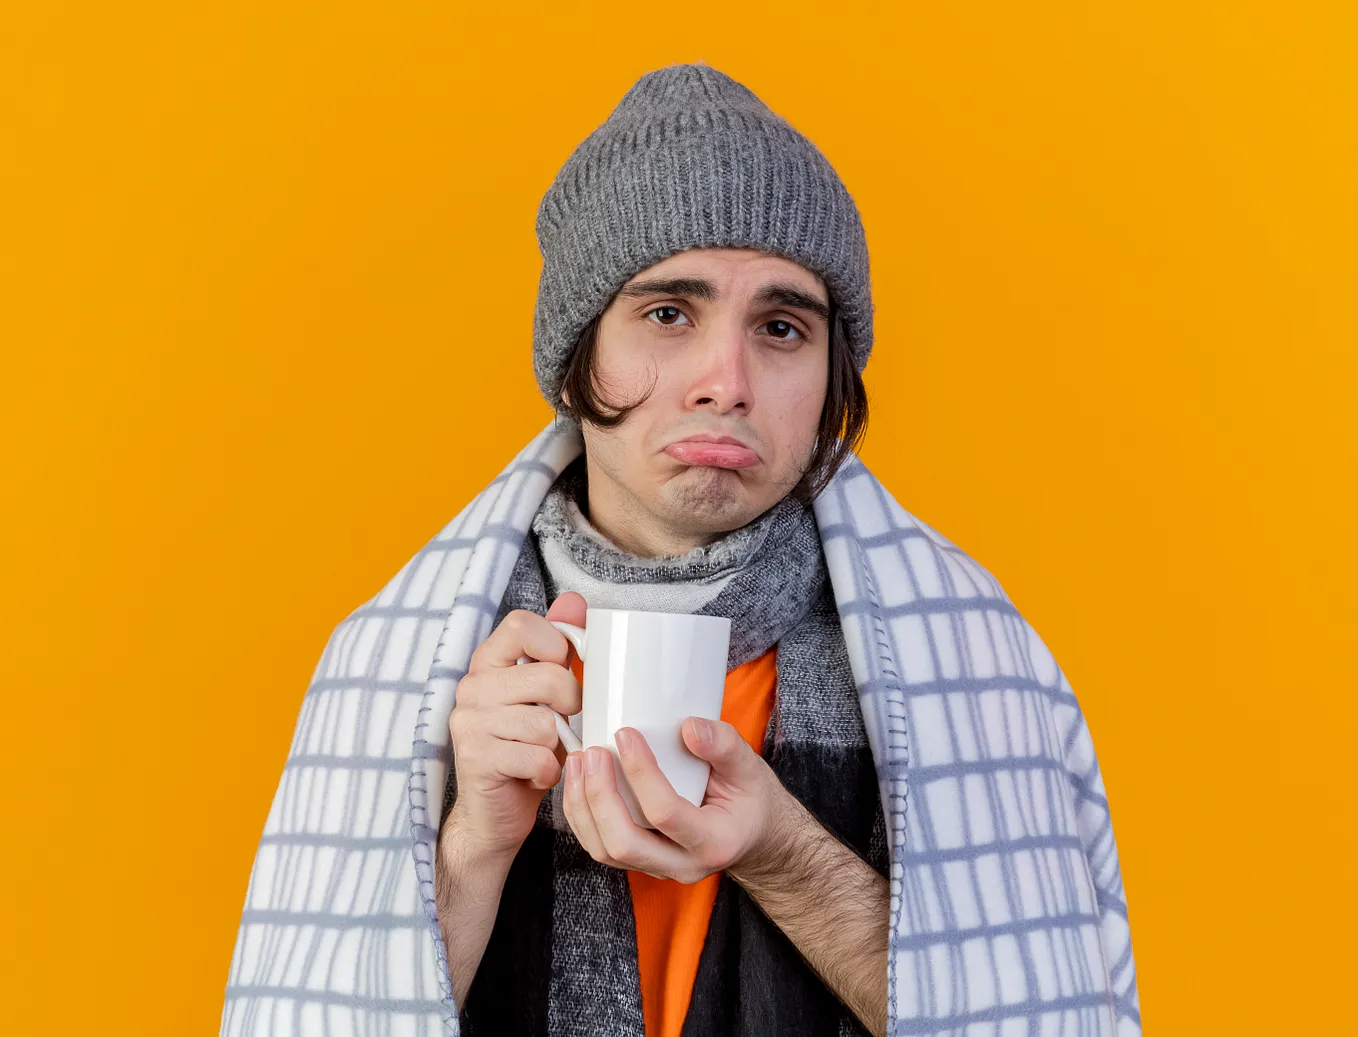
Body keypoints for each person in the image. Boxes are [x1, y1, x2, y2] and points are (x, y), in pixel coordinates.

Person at [221, 62, 1140, 1037]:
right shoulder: (400, 664)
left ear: (831, 373)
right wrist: (469, 845)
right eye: (668, 313)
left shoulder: (970, 662)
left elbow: (1034, 1013)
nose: (724, 380)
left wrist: (779, 847)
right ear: (577, 354)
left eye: (781, 326)